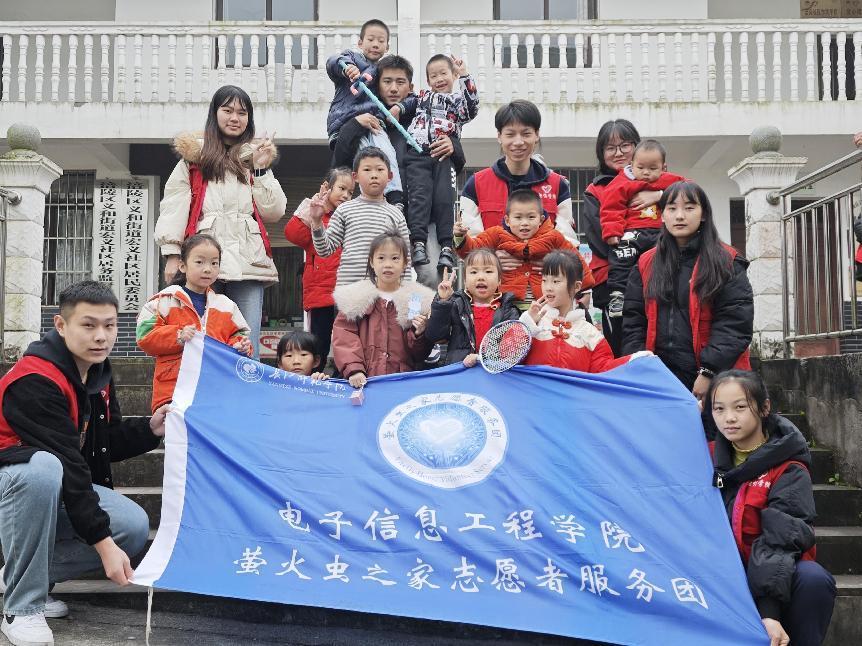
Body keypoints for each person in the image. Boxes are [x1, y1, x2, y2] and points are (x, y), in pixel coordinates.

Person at [0, 281, 167, 646]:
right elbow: (68, 463)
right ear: (61, 325)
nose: (101, 336)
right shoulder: (34, 379)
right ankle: (22, 606)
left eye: (109, 325)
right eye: (88, 325)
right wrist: (103, 544)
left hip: (52, 484)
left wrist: (150, 429)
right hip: (12, 486)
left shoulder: (97, 372)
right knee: (42, 468)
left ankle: (20, 576)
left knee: (132, 525)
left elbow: (101, 443)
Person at [156, 85, 286, 359]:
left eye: (242, 112)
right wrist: (172, 254)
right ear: (214, 114)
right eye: (227, 110)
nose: (235, 118)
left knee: (246, 342)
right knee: (204, 340)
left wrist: (262, 169)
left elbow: (274, 211)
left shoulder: (255, 158)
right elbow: (174, 207)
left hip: (249, 261)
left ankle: (244, 387)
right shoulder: (194, 160)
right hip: (204, 259)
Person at [707, 370, 836, 646]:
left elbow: (781, 538)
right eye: (719, 409)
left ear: (764, 408)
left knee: (813, 580)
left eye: (740, 407)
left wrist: (769, 611)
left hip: (769, 573)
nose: (729, 418)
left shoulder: (788, 468)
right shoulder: (703, 458)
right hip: (717, 573)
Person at [622, 181, 753, 406]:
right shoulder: (645, 263)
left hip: (715, 378)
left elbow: (734, 324)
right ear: (662, 215)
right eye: (672, 208)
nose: (680, 216)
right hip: (659, 377)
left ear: (704, 214)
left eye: (689, 208)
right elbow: (633, 322)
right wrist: (642, 368)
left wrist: (709, 371)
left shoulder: (727, 261)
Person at [136, 234, 252, 412]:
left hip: (216, 390)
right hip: (172, 391)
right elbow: (144, 335)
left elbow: (240, 335)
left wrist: (241, 346)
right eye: (199, 262)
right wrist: (178, 335)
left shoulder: (227, 306)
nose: (208, 269)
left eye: (214, 263)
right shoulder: (164, 300)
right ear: (182, 265)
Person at [583, 119, 657, 356]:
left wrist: (659, 195)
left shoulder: (657, 185)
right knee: (620, 347)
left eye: (625, 145)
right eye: (610, 148)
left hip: (657, 275)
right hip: (612, 280)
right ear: (601, 153)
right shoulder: (595, 190)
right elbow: (600, 240)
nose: (618, 153)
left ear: (637, 146)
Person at [460, 100, 579, 247]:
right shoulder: (476, 184)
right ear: (499, 136)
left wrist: (536, 255)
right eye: (510, 134)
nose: (518, 142)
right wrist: (497, 256)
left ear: (537, 135)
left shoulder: (558, 185)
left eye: (526, 134)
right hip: (493, 262)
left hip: (544, 262)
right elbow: (468, 243)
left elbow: (568, 243)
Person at [400, 54, 479, 269]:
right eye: (433, 76)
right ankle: (418, 243)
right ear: (428, 81)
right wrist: (398, 109)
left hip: (443, 155)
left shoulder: (457, 102)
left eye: (444, 73)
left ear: (453, 75)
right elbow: (407, 103)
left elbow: (472, 108)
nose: (439, 79)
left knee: (445, 198)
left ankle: (446, 247)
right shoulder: (422, 97)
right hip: (417, 153)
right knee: (419, 196)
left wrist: (465, 76)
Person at [454, 189, 592, 307]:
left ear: (541, 219)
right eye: (518, 217)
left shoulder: (553, 236)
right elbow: (472, 251)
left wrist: (584, 290)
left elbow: (576, 261)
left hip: (545, 305)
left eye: (531, 217)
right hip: (506, 305)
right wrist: (460, 236)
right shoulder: (497, 234)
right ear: (507, 220)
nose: (524, 223)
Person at [331, 231, 434, 387]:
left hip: (402, 382)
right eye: (381, 258)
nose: (388, 264)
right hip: (364, 382)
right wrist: (354, 369)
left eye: (395, 258)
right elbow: (344, 337)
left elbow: (419, 354)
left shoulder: (415, 299)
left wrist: (419, 334)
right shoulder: (354, 298)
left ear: (405, 263)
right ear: (371, 262)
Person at [521, 251, 649, 372]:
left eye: (556, 281)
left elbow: (604, 371)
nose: (548, 287)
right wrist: (526, 325)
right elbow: (509, 358)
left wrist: (635, 360)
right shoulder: (532, 322)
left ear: (576, 286)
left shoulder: (590, 334)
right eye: (544, 280)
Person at [600, 139, 686, 318]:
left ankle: (671, 296)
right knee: (620, 259)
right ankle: (618, 296)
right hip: (631, 233)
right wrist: (612, 232)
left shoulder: (670, 181)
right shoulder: (621, 182)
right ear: (632, 164)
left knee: (667, 262)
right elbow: (611, 208)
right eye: (640, 167)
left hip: (660, 233)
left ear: (663, 167)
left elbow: (688, 190)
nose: (646, 172)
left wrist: (661, 195)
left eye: (653, 168)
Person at [283, 167, 355, 372]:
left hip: (348, 293)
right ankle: (314, 380)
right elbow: (292, 234)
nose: (345, 195)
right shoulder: (315, 216)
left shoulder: (351, 218)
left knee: (348, 343)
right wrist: (313, 205)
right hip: (320, 294)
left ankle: (344, 378)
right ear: (327, 187)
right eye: (341, 188)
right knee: (317, 345)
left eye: (350, 192)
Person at [327, 18, 404, 206]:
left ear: (387, 46)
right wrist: (346, 67)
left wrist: (401, 106)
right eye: (371, 39)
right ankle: (369, 199)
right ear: (360, 43)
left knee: (387, 153)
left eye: (381, 41)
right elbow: (332, 62)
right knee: (366, 162)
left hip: (375, 124)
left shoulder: (384, 69)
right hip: (347, 123)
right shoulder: (351, 58)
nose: (375, 44)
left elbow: (404, 93)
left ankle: (395, 196)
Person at [311, 147, 411, 287]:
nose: (374, 175)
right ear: (355, 176)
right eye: (367, 169)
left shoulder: (396, 214)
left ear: (390, 176)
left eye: (379, 169)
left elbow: (405, 261)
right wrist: (316, 221)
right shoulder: (344, 210)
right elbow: (325, 250)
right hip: (350, 293)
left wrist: (408, 297)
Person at [425, 250, 520, 367]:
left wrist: (481, 358)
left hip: (494, 373)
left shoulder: (508, 311)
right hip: (461, 372)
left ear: (499, 280)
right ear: (465, 281)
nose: (481, 277)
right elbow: (435, 336)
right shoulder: (456, 305)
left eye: (488, 271)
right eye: (474, 272)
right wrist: (443, 301)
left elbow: (512, 351)